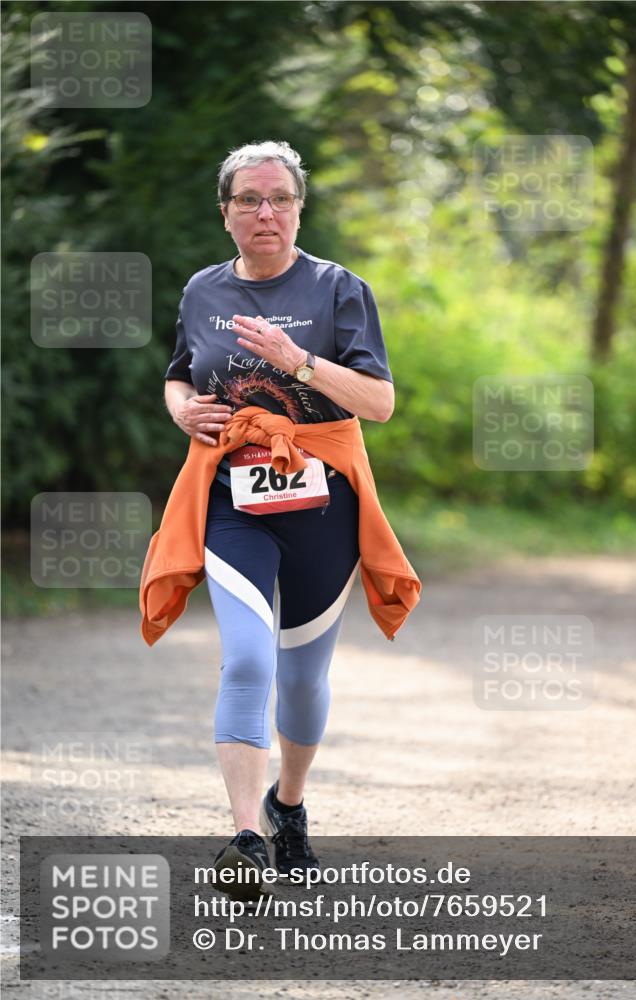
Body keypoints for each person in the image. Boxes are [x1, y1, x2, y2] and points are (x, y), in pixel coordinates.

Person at [162, 140, 398, 898]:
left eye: (281, 199)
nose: (266, 212)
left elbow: (378, 404)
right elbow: (176, 377)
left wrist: (296, 362)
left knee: (301, 681)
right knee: (248, 660)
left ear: (299, 208)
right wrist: (185, 413)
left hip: (323, 508)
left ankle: (286, 803)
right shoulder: (202, 291)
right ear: (225, 212)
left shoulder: (338, 289)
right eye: (249, 200)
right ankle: (243, 835)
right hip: (233, 504)